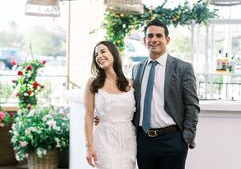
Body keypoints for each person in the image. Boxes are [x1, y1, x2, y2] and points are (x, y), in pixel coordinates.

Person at [132, 18, 200, 169]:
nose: (154, 39)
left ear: (167, 39)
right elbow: (131, 101)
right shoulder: (137, 69)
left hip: (172, 140)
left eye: (158, 36)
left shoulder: (183, 68)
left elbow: (192, 105)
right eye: (150, 36)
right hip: (144, 141)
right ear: (144, 40)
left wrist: (187, 138)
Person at [84, 40, 137, 169]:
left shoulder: (130, 83)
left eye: (103, 51)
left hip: (128, 139)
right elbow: (89, 115)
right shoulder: (93, 83)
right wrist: (89, 145)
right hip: (104, 139)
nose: (99, 56)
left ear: (114, 53)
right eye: (96, 54)